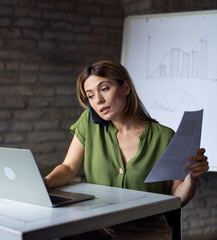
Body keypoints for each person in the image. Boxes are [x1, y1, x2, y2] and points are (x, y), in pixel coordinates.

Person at [44, 60, 209, 240]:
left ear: (125, 88)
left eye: (104, 89)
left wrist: (190, 178)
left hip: (146, 231)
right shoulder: (88, 123)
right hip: (97, 226)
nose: (98, 100)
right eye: (90, 96)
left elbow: (177, 196)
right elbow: (68, 167)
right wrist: (46, 182)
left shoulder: (165, 137)